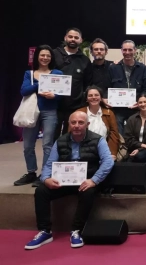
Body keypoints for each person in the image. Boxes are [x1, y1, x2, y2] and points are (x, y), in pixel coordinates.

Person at [24, 111, 114, 250]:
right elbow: (49, 163)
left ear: (87, 124)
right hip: (64, 181)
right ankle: (45, 231)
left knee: (88, 193)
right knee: (41, 190)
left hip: (87, 181)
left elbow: (108, 162)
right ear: (69, 124)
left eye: (80, 122)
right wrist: (46, 178)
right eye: (73, 122)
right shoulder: (60, 140)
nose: (76, 125)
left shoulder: (98, 139)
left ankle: (76, 230)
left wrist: (94, 180)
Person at [14, 45, 63, 187]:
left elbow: (61, 94)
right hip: (31, 111)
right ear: (37, 57)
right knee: (28, 145)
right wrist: (40, 84)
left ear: (51, 58)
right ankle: (31, 172)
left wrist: (54, 95)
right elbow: (23, 91)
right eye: (42, 55)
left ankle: (45, 174)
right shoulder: (29, 73)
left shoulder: (57, 73)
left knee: (48, 144)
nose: (45, 58)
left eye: (48, 56)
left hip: (50, 111)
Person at [52, 28, 92, 140]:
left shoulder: (85, 60)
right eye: (70, 37)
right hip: (55, 105)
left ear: (81, 40)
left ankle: (68, 158)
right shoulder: (54, 55)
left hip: (75, 106)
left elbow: (87, 83)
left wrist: (82, 99)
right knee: (52, 137)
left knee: (70, 137)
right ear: (65, 38)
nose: (73, 39)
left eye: (76, 37)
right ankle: (52, 158)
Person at [109, 40, 146, 135]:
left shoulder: (143, 68)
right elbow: (108, 86)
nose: (127, 52)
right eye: (125, 50)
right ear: (121, 51)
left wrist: (141, 101)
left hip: (135, 109)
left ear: (135, 50)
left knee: (135, 134)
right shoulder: (113, 68)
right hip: (118, 110)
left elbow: (145, 88)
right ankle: (122, 150)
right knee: (118, 135)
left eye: (130, 50)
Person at [76, 86, 120, 161]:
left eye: (96, 95)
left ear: (101, 98)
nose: (93, 97)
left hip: (104, 151)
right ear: (86, 99)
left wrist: (112, 153)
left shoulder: (109, 113)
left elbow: (114, 135)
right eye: (90, 95)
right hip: (83, 151)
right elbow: (73, 134)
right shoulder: (79, 113)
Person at [124, 93, 146, 163]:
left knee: (139, 156)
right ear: (137, 104)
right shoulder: (132, 119)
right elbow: (128, 138)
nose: (143, 104)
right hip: (133, 149)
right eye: (140, 102)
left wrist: (140, 150)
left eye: (145, 102)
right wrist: (142, 146)